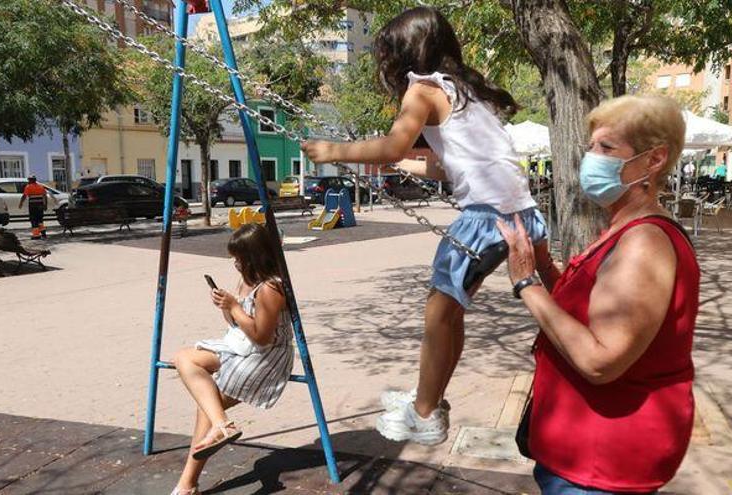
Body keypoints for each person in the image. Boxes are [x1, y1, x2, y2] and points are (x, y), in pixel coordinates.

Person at [301, 6, 558, 445]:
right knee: (450, 313)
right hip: (523, 214)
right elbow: (450, 167)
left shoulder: (420, 90)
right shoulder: (467, 93)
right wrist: (408, 163)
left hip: (485, 219)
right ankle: (428, 398)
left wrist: (332, 151)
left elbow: (391, 144)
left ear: (406, 53)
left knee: (439, 316)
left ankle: (424, 412)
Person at [497, 95, 699, 494]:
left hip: (602, 465)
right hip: (581, 455)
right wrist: (542, 263)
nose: (593, 158)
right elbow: (587, 314)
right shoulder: (623, 229)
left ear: (654, 160)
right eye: (591, 147)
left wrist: (526, 284)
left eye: (607, 148)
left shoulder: (645, 243)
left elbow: (600, 361)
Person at [170, 223, 294, 495]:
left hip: (265, 359)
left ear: (254, 257)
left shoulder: (271, 288)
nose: (234, 262)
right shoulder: (247, 280)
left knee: (207, 404)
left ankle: (187, 484)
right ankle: (220, 426)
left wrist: (235, 307)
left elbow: (262, 336)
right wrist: (226, 308)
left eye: (239, 258)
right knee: (184, 359)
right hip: (242, 347)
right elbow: (238, 325)